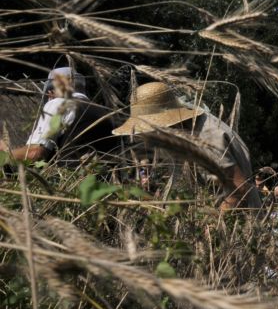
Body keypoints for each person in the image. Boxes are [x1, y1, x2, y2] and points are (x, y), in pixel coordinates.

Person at [112, 81, 259, 210]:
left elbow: (239, 189)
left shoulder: (206, 138)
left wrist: (214, 225)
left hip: (239, 223)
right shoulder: (184, 133)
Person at [1, 66, 115, 164]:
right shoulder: (105, 113)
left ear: (50, 92)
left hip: (67, 179)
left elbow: (34, 153)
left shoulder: (59, 103)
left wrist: (5, 155)